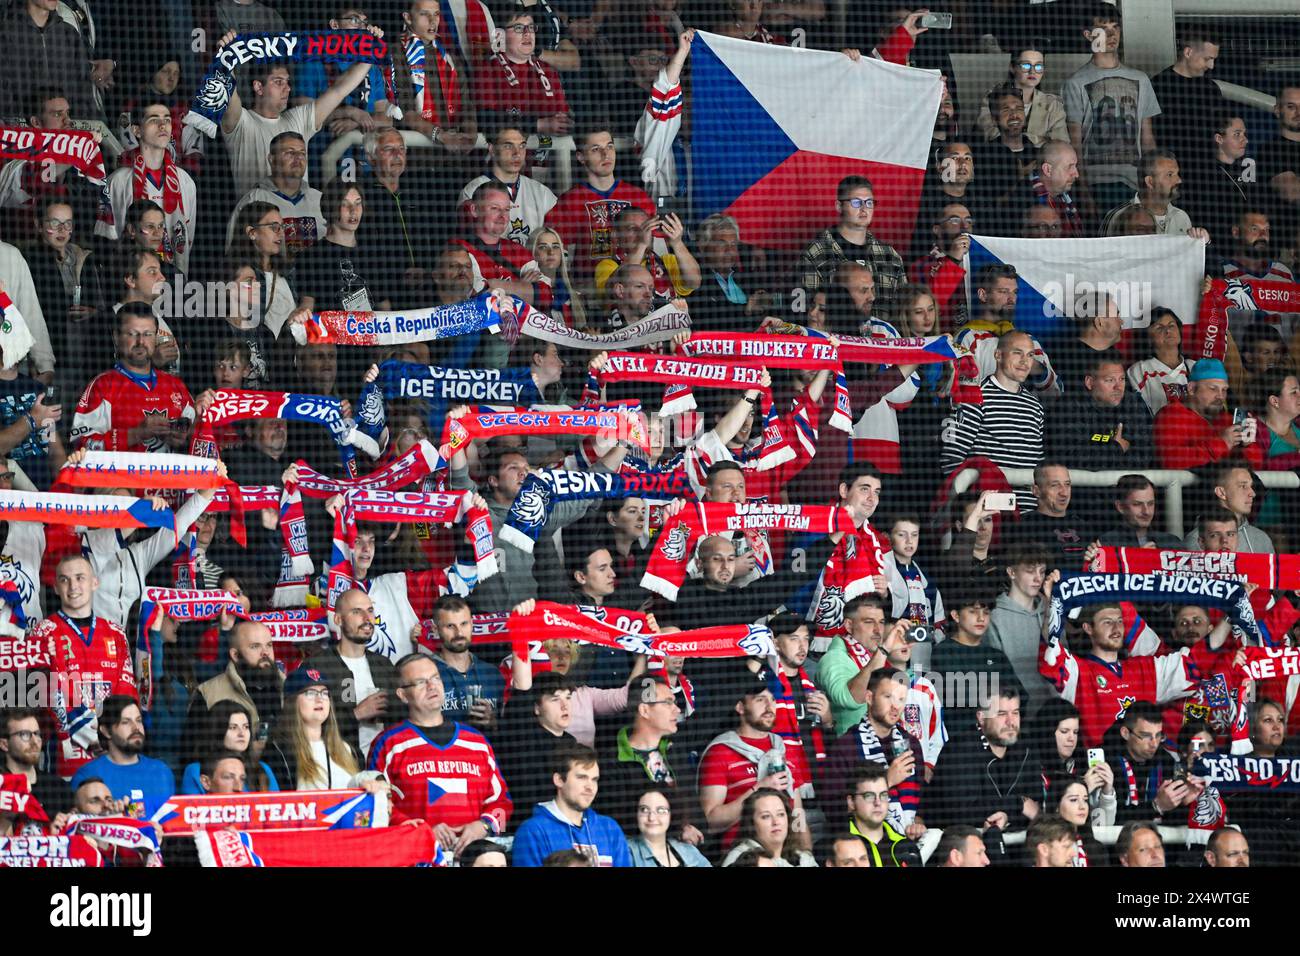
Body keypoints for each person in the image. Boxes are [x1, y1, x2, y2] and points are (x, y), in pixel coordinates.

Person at [216, 25, 388, 195]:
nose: (287, 88)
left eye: (287, 82)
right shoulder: (241, 122)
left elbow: (339, 90)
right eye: (278, 82)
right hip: (258, 219)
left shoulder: (296, 119)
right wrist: (225, 56)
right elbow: (228, 90)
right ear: (258, 87)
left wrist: (369, 52)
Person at [367, 653, 512, 854]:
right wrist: (420, 831)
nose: (432, 686)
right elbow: (375, 805)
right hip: (415, 856)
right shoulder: (388, 743)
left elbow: (504, 803)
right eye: (420, 682)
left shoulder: (476, 742)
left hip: (474, 858)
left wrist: (484, 826)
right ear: (402, 694)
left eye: (435, 678)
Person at [1060, 1, 1160, 218]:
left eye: (1115, 27)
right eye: (1103, 29)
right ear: (1088, 35)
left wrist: (1155, 184)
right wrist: (1083, 192)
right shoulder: (1075, 83)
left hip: (1136, 182)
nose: (1112, 34)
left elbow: (1148, 138)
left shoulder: (1140, 79)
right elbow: (1074, 143)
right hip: (1098, 184)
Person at [697, 674, 807, 851]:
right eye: (760, 699)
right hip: (744, 854)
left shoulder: (783, 749)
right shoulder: (721, 751)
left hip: (788, 854)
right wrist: (758, 789)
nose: (769, 706)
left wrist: (805, 852)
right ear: (740, 707)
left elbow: (798, 813)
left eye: (772, 700)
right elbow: (711, 820)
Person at [95, 102, 198, 274]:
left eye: (167, 119)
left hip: (173, 282)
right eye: (153, 119)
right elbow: (106, 238)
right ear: (136, 130)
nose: (162, 125)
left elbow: (187, 240)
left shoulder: (185, 181)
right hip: (130, 279)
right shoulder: (117, 181)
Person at [923, 687, 1041, 832]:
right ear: (981, 717)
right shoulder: (959, 749)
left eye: (1015, 713)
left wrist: (1007, 814)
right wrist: (1017, 804)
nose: (1011, 722)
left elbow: (1036, 809)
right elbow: (961, 813)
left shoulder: (1026, 748)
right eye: (1001, 714)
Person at [545, 125, 655, 279]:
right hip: (589, 289)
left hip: (635, 287)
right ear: (581, 157)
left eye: (609, 146)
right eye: (596, 149)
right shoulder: (569, 202)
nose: (606, 154)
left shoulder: (639, 197)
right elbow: (554, 255)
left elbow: (656, 249)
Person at [305, 588, 400, 756]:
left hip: (381, 765)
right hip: (338, 766)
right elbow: (305, 723)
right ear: (338, 619)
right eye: (357, 611)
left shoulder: (384, 665)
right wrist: (356, 714)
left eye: (370, 610)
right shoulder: (317, 666)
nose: (366, 618)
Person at [798, 175, 906, 318]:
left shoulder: (890, 256)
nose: (864, 209)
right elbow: (809, 313)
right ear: (838, 206)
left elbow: (904, 311)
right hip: (834, 339)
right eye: (856, 202)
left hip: (881, 338)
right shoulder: (816, 253)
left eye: (869, 202)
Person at [264, 666, 383, 792]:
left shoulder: (349, 750)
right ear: (292, 702)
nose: (319, 699)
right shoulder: (278, 753)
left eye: (324, 693)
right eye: (310, 693)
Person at [511, 744, 632, 867]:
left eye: (594, 779)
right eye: (582, 777)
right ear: (559, 780)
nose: (590, 787)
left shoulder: (609, 828)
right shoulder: (533, 831)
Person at [188, 620, 284, 758]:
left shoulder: (290, 687)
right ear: (235, 655)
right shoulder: (208, 694)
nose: (265, 653)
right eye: (255, 646)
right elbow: (194, 755)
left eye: (269, 645)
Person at [70, 696, 175, 820]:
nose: (136, 728)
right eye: (126, 722)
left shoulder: (162, 771)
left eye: (139, 720)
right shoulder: (87, 775)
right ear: (106, 731)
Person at [294, 178, 386, 314]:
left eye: (358, 203)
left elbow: (385, 307)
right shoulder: (312, 256)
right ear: (331, 207)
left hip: (372, 332)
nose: (353, 210)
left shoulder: (372, 254)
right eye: (345, 204)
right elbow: (307, 306)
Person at [450, 180, 548, 307]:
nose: (503, 216)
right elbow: (477, 297)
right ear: (474, 210)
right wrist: (523, 286)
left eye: (507, 209)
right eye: (495, 208)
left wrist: (496, 285)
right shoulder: (457, 249)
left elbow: (548, 294)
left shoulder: (517, 250)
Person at [473, 9, 571, 136]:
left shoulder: (549, 71)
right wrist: (539, 125)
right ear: (499, 35)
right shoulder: (488, 71)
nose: (527, 33)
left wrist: (565, 125)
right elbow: (485, 119)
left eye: (531, 27)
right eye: (519, 28)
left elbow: (563, 117)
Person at [1153, 358, 1263, 470]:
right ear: (1191, 389)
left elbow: (1256, 467)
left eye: (1224, 390)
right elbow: (1169, 461)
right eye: (1213, 389)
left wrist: (1248, 445)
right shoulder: (1171, 415)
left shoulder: (1229, 421)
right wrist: (1222, 443)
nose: (1220, 396)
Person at [226, 132, 325, 255]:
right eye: (290, 152)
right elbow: (234, 255)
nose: (298, 157)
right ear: (271, 159)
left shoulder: (320, 199)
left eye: (302, 153)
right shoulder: (254, 199)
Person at [462, 125, 557, 248]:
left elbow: (557, 244)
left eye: (522, 146)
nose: (517, 153)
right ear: (492, 149)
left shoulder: (542, 192)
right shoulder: (472, 191)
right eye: (508, 146)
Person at [987, 547, 1052, 712]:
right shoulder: (995, 616)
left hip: (1054, 710)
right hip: (1015, 711)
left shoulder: (1051, 611)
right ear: (1011, 572)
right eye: (1030, 571)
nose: (1038, 578)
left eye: (1042, 571)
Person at [431, 594, 506, 730]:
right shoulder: (427, 674)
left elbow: (507, 729)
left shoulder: (492, 674)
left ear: (472, 624)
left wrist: (493, 722)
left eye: (464, 624)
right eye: (450, 626)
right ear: (436, 630)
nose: (459, 632)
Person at [1150, 32, 1224, 165]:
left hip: (1207, 173)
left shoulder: (1212, 90)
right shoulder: (1157, 87)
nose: (1211, 65)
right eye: (1207, 59)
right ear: (1188, 52)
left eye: (1214, 59)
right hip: (1171, 174)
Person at [1004, 462, 1091, 568]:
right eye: (1054, 485)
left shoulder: (1084, 527)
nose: (1064, 493)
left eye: (1067, 484)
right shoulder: (1023, 527)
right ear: (1036, 491)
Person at [975, 47, 1067, 146]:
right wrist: (1041, 140)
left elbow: (1060, 143)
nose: (1032, 71)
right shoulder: (992, 97)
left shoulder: (1052, 104)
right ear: (1012, 67)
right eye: (1026, 65)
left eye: (1039, 66)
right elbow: (991, 135)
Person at [180, 701, 278, 793]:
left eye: (246, 727)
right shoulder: (195, 771)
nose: (241, 733)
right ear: (217, 730)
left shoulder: (263, 769)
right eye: (233, 727)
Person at [1103, 150, 1203, 237]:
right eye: (1170, 175)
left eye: (1177, 174)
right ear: (1150, 182)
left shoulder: (1182, 217)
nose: (1179, 180)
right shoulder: (1118, 216)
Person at [1183, 462, 1273, 554]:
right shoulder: (1195, 542)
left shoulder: (1261, 539)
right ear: (1221, 492)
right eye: (1243, 486)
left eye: (1251, 486)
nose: (1252, 493)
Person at [0, 708, 72, 815]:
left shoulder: (59, 787)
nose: (35, 742)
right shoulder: (2, 788)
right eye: (24, 735)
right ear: (4, 744)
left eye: (37, 734)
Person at [720, 788, 815, 867]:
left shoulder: (802, 858)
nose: (776, 822)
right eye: (766, 816)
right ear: (751, 823)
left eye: (781, 814)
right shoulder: (738, 859)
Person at [1126, 307, 1189, 417]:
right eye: (1159, 328)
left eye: (1171, 325)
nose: (1168, 330)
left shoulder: (1195, 366)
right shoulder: (1139, 370)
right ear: (1148, 338)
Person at [627, 786, 711, 867]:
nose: (651, 817)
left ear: (671, 815)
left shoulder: (689, 851)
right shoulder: (625, 853)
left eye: (661, 810)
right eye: (644, 809)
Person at [1098, 475, 1184, 549]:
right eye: (1137, 504)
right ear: (1120, 507)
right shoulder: (1107, 543)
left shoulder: (1172, 542)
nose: (1146, 511)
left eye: (1150, 504)